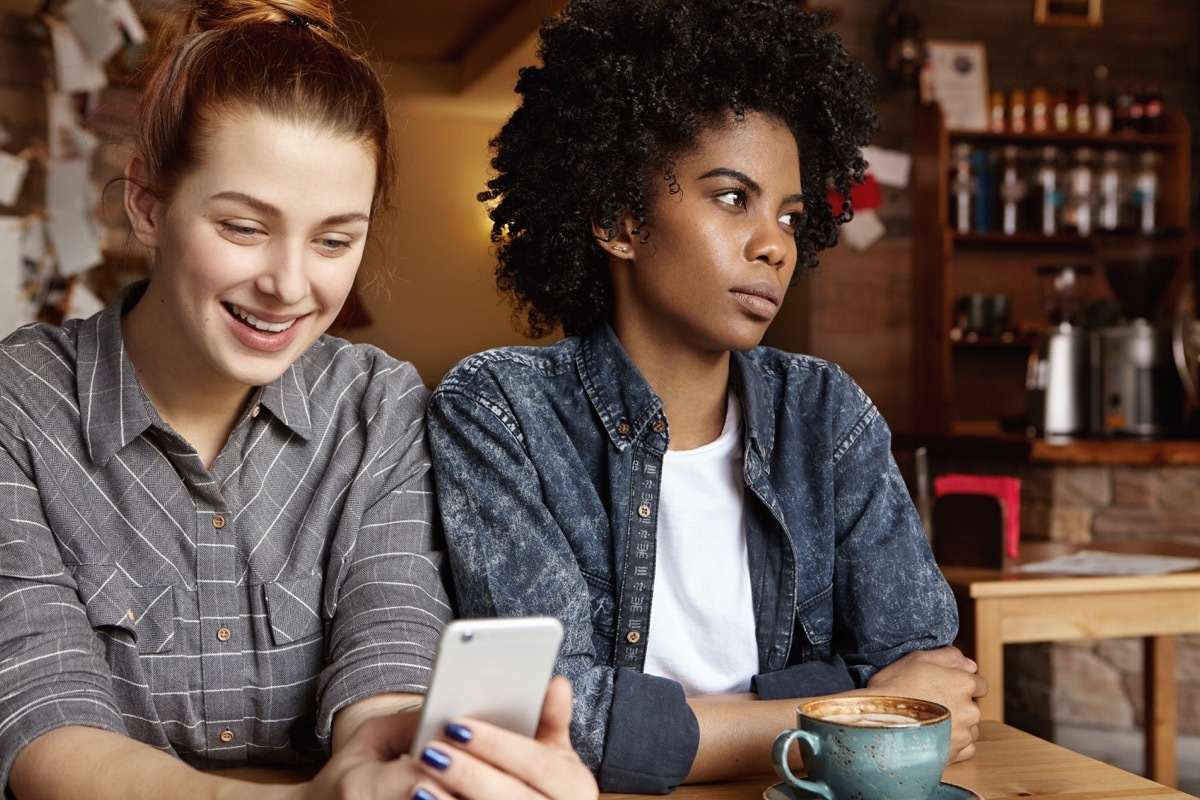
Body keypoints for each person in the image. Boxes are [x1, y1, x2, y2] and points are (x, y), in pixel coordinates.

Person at [0, 2, 597, 799]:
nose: (288, 286)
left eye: (333, 240)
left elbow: (390, 631)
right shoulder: (22, 403)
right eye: (244, 227)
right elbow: (45, 719)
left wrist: (406, 761)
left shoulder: (376, 403)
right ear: (146, 201)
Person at [426, 0, 987, 793]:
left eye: (792, 216)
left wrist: (664, 727)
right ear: (619, 220)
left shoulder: (826, 415)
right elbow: (550, 714)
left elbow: (936, 686)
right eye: (733, 197)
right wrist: (846, 706)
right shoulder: (499, 412)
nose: (775, 244)